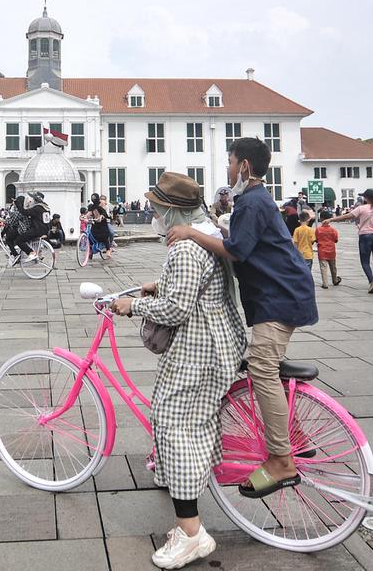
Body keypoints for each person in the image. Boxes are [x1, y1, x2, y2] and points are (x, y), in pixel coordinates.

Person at [165, 138, 318, 505]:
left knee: (262, 370)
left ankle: (282, 459)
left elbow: (237, 251)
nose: (229, 169)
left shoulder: (251, 201)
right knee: (265, 367)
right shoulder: (256, 200)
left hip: (280, 298)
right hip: (281, 293)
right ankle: (295, 435)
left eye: (232, 162)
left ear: (245, 166)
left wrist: (191, 233)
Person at [112, 172, 247, 570]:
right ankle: (182, 476)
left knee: (174, 424)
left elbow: (177, 310)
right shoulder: (203, 234)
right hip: (218, 338)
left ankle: (191, 534)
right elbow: (196, 287)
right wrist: (161, 283)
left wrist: (132, 306)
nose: (153, 213)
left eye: (156, 207)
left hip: (200, 348)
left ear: (171, 209)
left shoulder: (187, 247)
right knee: (192, 420)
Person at [327, 188, 373, 293]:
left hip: (365, 237)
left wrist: (331, 219)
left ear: (366, 198)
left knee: (365, 261)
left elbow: (347, 216)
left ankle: (372, 282)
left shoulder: (361, 208)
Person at [315, 211, 341, 289]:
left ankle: (325, 283)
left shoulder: (318, 230)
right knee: (333, 267)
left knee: (323, 268)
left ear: (321, 218)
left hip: (322, 251)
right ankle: (335, 280)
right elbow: (336, 240)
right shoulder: (333, 230)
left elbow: (316, 239)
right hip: (331, 251)